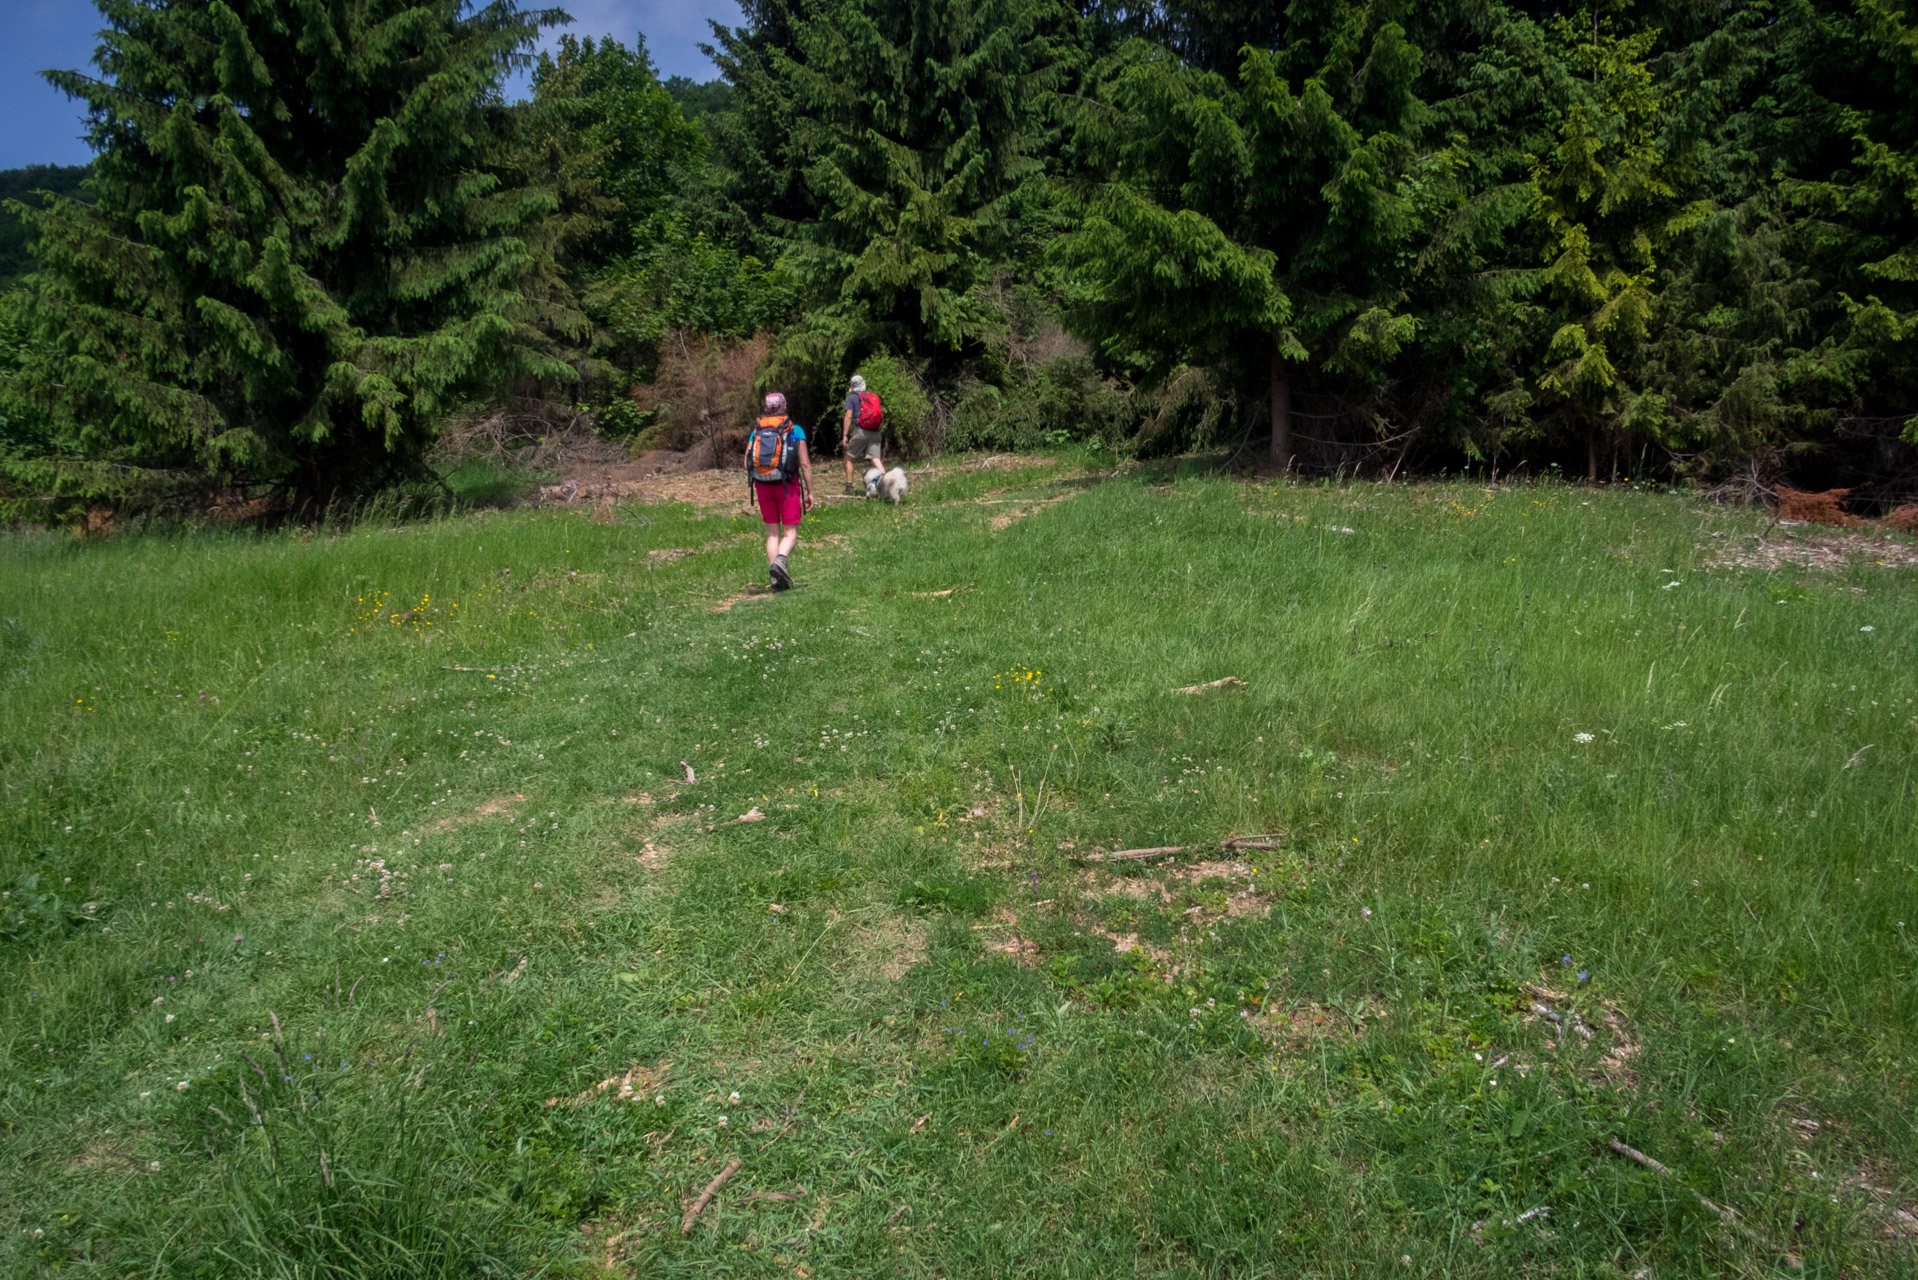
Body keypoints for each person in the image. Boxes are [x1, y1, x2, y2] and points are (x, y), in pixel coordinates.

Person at [744, 392, 813, 591]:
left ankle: (776, 582)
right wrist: (810, 492)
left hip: (762, 485)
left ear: (766, 408)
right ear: (784, 406)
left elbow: (747, 460)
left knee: (772, 533)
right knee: (790, 532)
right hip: (787, 485)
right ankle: (780, 563)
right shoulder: (794, 429)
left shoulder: (757, 430)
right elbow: (805, 464)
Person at [840, 373, 883, 493]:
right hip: (875, 431)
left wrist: (845, 435)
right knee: (875, 460)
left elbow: (848, 416)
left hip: (861, 431)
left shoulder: (851, 398)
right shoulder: (872, 397)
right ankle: (888, 483)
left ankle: (849, 488)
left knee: (849, 459)